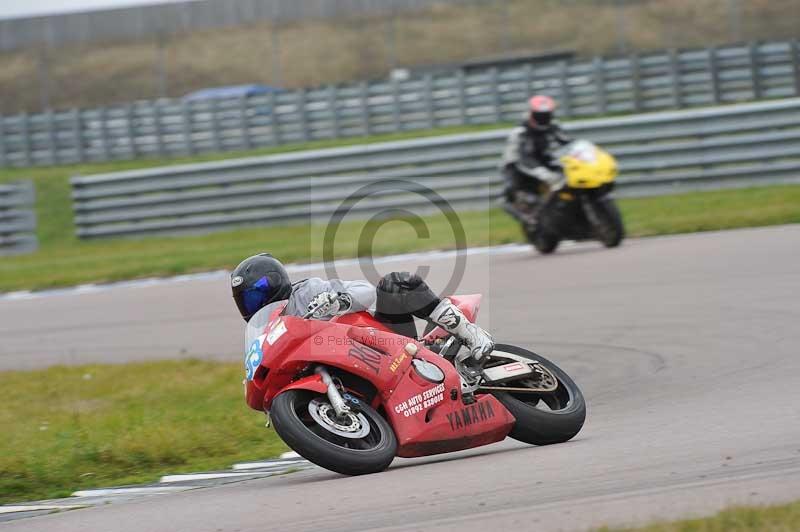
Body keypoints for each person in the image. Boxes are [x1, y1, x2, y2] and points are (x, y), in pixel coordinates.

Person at [230, 253, 494, 364]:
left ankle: (470, 333)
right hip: (346, 364)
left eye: (258, 291)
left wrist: (339, 300)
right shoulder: (263, 331)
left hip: (381, 340)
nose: (254, 303)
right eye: (247, 299)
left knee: (394, 283)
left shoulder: (306, 292)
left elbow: (365, 291)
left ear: (276, 281)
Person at [501, 94, 572, 215]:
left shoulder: (554, 126)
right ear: (532, 113)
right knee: (519, 189)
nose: (543, 118)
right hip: (518, 166)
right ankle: (525, 212)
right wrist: (545, 174)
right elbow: (523, 160)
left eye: (546, 115)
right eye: (540, 115)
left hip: (542, 158)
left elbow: (567, 143)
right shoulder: (521, 132)